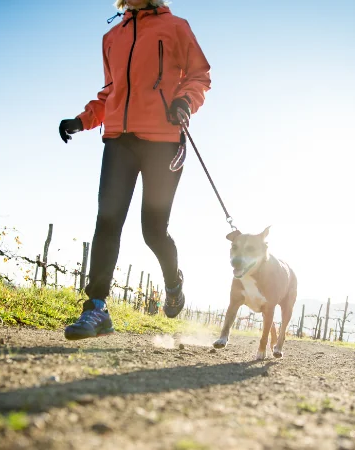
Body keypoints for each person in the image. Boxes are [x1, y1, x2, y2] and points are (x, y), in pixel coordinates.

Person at [59, 0, 211, 339]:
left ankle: (173, 282)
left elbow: (199, 76)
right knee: (108, 220)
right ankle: (96, 308)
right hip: (119, 141)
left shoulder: (176, 27)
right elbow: (110, 92)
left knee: (153, 230)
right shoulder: (113, 36)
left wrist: (184, 101)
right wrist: (82, 120)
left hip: (164, 140)